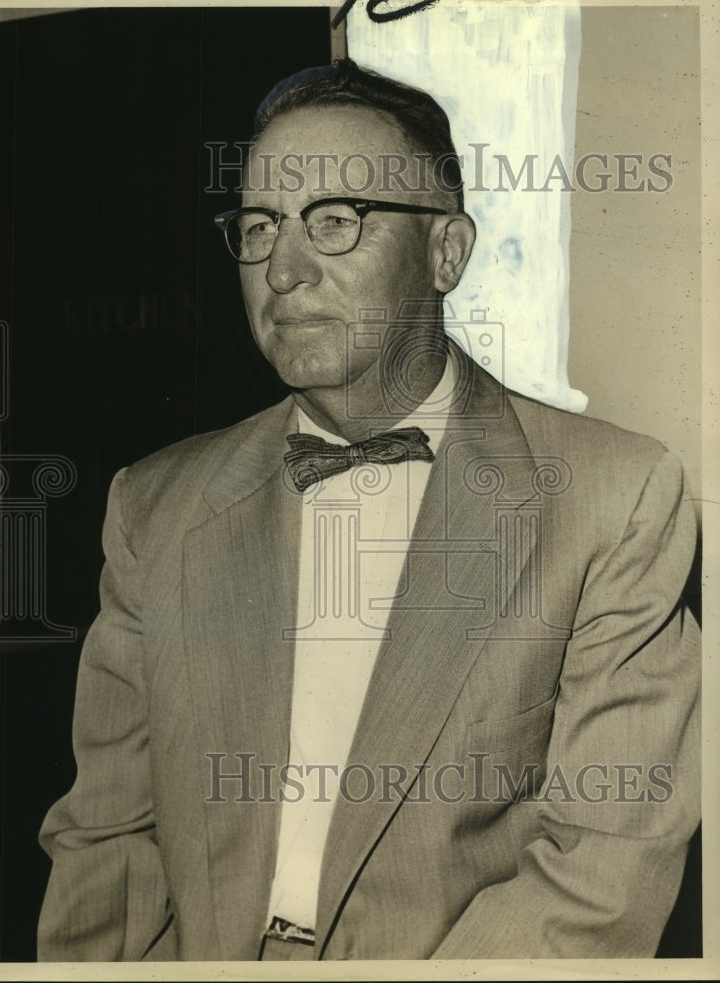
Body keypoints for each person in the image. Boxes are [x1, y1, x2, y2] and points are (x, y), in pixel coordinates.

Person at [37, 59, 701, 962]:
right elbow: (104, 849)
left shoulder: (614, 498)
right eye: (261, 226)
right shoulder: (152, 506)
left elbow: (602, 869)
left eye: (336, 222)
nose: (285, 269)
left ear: (446, 253)